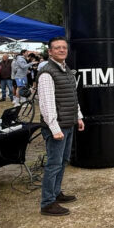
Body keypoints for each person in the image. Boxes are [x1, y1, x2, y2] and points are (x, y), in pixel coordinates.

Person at [36, 37, 85, 217]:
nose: (62, 50)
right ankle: (47, 203)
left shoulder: (67, 70)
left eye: (64, 47)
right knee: (54, 164)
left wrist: (78, 116)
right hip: (57, 127)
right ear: (50, 52)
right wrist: (54, 128)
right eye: (57, 48)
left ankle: (56, 193)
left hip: (68, 123)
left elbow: (72, 96)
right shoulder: (47, 73)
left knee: (63, 161)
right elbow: (46, 104)